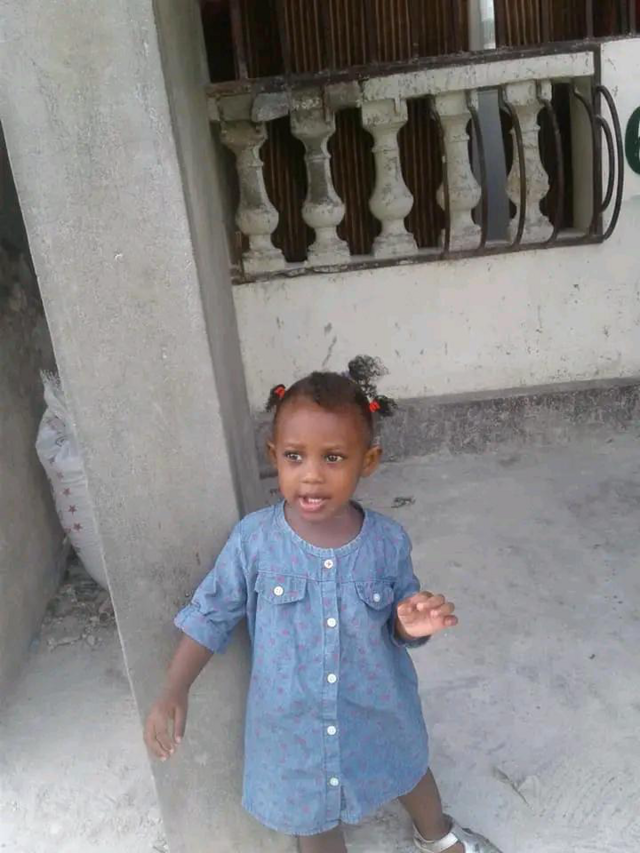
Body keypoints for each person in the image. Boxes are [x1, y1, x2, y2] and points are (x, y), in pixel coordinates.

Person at [144, 357, 502, 853]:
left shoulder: (387, 542)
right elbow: (210, 614)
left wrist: (410, 626)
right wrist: (174, 688)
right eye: (295, 456)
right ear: (274, 455)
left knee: (407, 767)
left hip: (377, 706)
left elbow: (399, 623)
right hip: (293, 725)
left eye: (333, 458)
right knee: (310, 814)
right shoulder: (254, 542)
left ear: (367, 462)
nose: (311, 475)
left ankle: (437, 835)